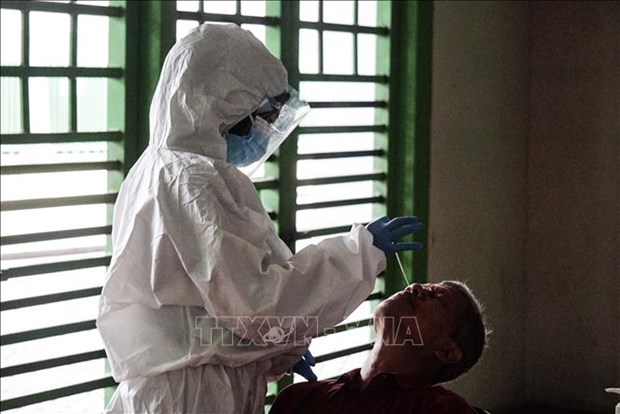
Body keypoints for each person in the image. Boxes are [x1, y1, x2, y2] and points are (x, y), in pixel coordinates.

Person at [96, 23, 424, 414]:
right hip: (196, 393)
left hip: (180, 383)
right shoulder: (194, 180)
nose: (262, 130)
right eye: (261, 114)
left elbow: (204, 305)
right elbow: (256, 303)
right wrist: (358, 253)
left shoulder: (157, 169)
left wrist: (270, 351)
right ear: (224, 104)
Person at [270, 281, 489, 414]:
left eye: (434, 295)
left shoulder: (439, 408)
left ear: (447, 351)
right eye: (424, 285)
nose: (415, 288)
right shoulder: (300, 399)